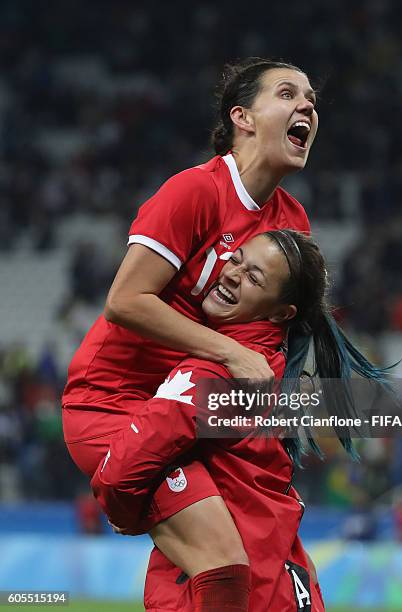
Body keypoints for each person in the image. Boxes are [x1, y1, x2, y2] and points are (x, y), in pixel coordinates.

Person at [62, 57, 319, 608]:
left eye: (312, 99)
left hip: (188, 411)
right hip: (115, 404)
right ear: (243, 117)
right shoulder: (195, 192)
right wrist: (227, 351)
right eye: (288, 93)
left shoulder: (290, 224)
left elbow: (268, 339)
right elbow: (125, 301)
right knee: (223, 562)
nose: (308, 107)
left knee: (255, 567)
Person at [91, 229, 391, 611]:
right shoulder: (274, 368)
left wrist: (131, 512)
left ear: (281, 312)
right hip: (287, 581)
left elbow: (118, 474)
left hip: (234, 592)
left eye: (254, 277)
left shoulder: (214, 375)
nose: (233, 273)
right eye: (236, 258)